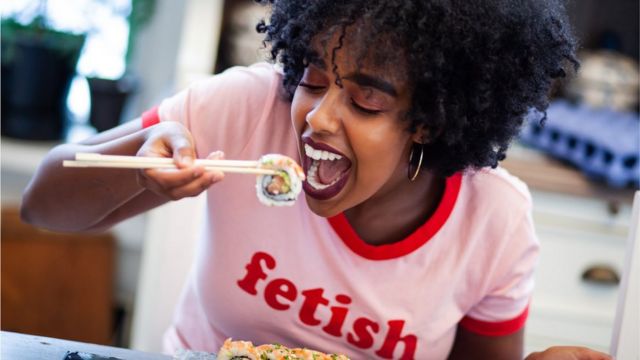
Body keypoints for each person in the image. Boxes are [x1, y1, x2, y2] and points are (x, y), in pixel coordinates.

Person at [20, 0, 612, 359]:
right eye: (312, 78)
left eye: (366, 100)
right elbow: (42, 204)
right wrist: (144, 168)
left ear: (430, 119)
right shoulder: (246, 109)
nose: (317, 117)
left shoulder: (495, 220)